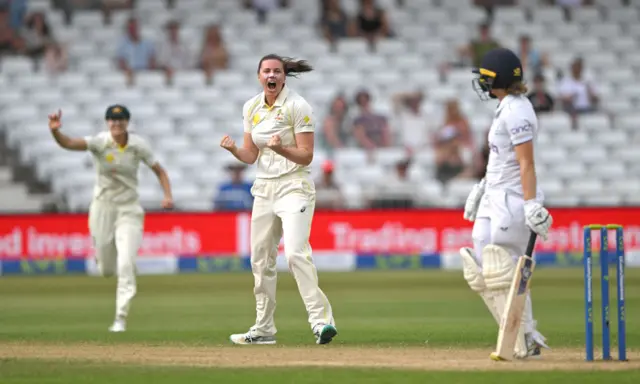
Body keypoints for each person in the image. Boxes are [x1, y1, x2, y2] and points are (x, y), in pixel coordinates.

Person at [219, 54, 337, 345]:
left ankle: (321, 322)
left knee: (296, 253)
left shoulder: (298, 106)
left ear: (284, 76)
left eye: (276, 71)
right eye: (266, 71)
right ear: (259, 76)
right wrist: (234, 150)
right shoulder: (252, 106)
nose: (271, 75)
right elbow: (251, 156)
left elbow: (307, 154)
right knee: (260, 260)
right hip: (264, 189)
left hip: (294, 185)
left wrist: (282, 149)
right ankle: (263, 329)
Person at [47, 105, 174, 333]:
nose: (117, 123)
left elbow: (160, 171)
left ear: (127, 122)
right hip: (103, 208)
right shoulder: (100, 142)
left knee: (126, 263)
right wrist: (56, 131)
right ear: (107, 123)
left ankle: (120, 318)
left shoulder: (138, 145)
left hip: (129, 209)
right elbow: (68, 143)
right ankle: (107, 263)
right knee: (106, 268)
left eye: (121, 119)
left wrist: (167, 195)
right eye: (113, 120)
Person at [461, 48, 553, 359]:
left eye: (485, 77)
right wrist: (483, 187)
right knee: (480, 267)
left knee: (504, 269)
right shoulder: (505, 107)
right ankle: (520, 335)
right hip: (494, 194)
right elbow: (501, 160)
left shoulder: (518, 111)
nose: (481, 83)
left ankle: (526, 336)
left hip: (512, 200)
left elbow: (526, 163)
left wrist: (530, 205)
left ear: (497, 79)